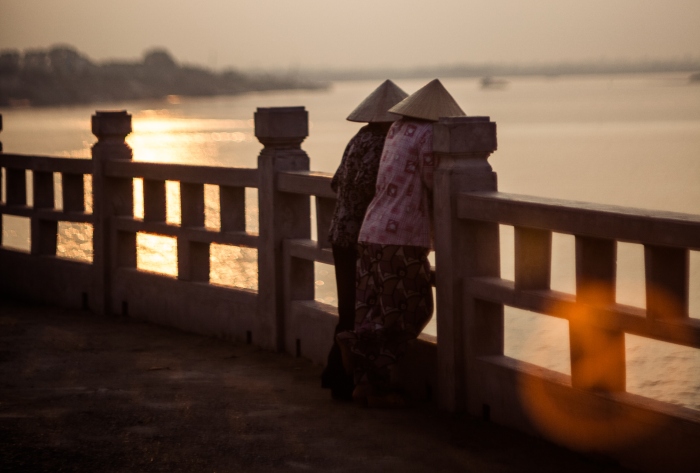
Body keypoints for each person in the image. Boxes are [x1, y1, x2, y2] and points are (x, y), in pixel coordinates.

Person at [336, 79, 466, 406]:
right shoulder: (427, 135)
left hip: (370, 231)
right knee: (413, 310)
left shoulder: (394, 130)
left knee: (374, 310)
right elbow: (433, 178)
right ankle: (364, 358)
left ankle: (366, 383)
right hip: (402, 238)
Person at [321, 80, 408, 400]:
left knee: (348, 309)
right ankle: (344, 380)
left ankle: (337, 378)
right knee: (361, 312)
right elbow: (369, 189)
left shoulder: (357, 139)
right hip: (363, 237)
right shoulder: (383, 144)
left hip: (340, 233)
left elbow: (336, 183)